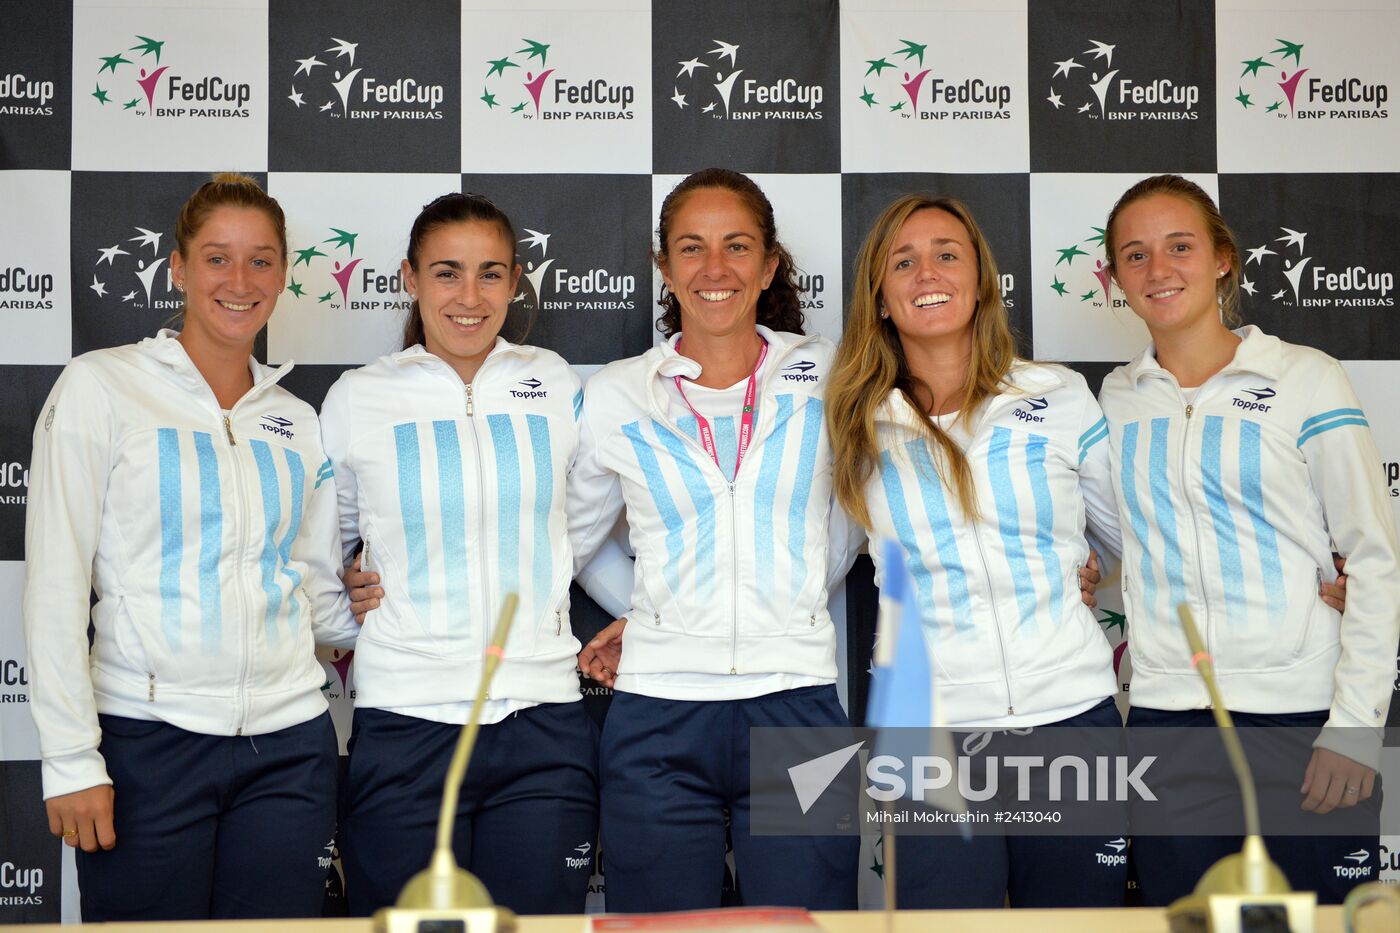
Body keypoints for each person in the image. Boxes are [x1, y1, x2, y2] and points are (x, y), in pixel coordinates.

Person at [23, 173, 358, 921]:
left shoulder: (295, 418)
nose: (240, 282)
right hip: (148, 743)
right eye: (217, 258)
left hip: (289, 743)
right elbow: (54, 585)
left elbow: (310, 589)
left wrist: (367, 599)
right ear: (177, 268)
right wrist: (72, 758)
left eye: (261, 260)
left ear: (283, 274)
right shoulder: (100, 387)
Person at [1098, 174, 1400, 904]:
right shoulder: (1115, 398)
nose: (1158, 270)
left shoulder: (1306, 378)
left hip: (1303, 724)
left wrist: (1355, 728)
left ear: (1224, 258)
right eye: (1134, 255)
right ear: (1114, 279)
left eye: (1180, 247)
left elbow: (1373, 559)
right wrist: (1078, 565)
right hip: (1170, 726)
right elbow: (1109, 532)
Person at [569, 168, 862, 912]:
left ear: (768, 265)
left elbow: (857, 518)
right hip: (659, 710)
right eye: (691, 248)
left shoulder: (829, 375)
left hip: (798, 700)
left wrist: (785, 594)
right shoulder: (616, 394)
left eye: (737, 246)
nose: (715, 268)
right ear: (663, 267)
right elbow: (572, 540)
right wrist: (653, 606)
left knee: (807, 928)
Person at [825, 194, 1129, 907]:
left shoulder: (1058, 395)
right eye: (903, 261)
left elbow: (1137, 542)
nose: (926, 271)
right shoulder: (854, 424)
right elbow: (805, 559)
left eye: (946, 254)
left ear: (982, 278)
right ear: (881, 294)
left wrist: (1081, 574)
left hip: (1070, 721)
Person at [322, 193, 597, 916]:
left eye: (490, 273)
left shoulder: (557, 383)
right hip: (405, 726)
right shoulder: (359, 398)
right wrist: (356, 611)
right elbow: (319, 547)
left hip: (542, 720)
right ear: (410, 278)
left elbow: (584, 524)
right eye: (447, 273)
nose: (469, 297)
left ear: (515, 280)